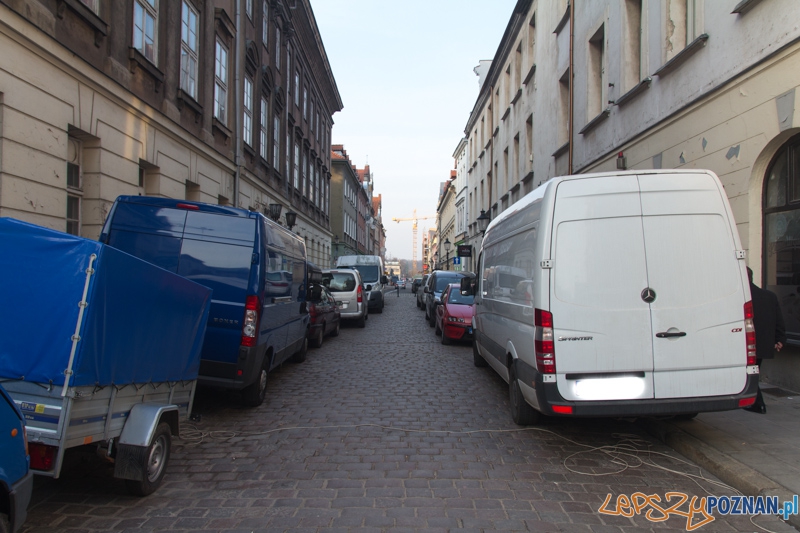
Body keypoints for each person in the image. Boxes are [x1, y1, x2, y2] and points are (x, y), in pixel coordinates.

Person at [746, 267, 786, 414]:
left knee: (749, 372)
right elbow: (778, 319)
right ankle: (755, 403)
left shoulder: (742, 296)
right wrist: (780, 339)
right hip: (763, 343)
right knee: (753, 370)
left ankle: (758, 404)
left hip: (746, 343)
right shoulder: (769, 296)